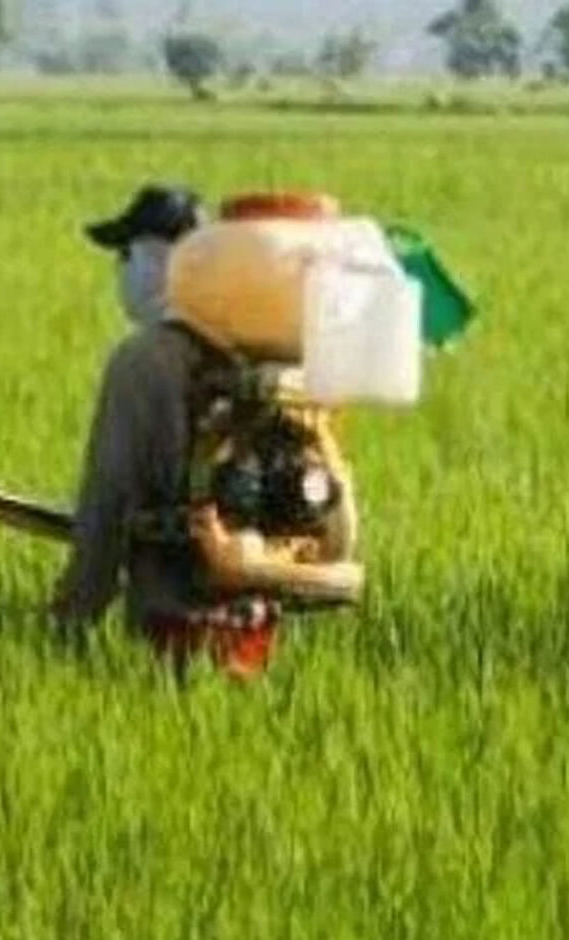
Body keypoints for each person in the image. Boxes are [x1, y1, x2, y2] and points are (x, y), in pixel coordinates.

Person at [49, 183, 361, 679]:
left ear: (162, 259)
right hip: (261, 611)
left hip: (172, 618)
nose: (122, 272)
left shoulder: (143, 361)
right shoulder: (273, 357)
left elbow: (106, 502)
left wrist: (71, 619)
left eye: (127, 256)